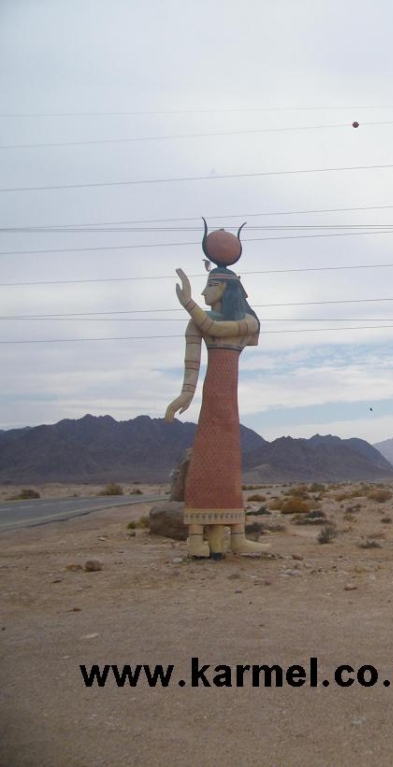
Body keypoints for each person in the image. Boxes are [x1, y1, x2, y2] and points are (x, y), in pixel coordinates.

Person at [165, 222, 267, 559]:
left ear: (226, 289)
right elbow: (192, 366)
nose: (206, 293)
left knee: (228, 460)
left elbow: (216, 328)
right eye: (206, 288)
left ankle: (234, 535)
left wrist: (188, 303)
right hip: (212, 401)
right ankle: (197, 538)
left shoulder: (245, 323)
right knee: (207, 457)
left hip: (229, 405)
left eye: (211, 287)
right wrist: (185, 395)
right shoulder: (198, 322)